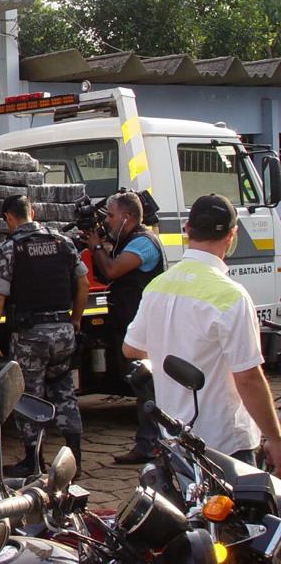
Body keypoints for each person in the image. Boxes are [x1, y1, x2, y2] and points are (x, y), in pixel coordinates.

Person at [123, 194, 281, 473]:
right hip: (225, 443)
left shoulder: (158, 286)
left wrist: (171, 346)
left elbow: (131, 348)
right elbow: (248, 378)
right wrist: (276, 439)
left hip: (174, 438)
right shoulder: (231, 296)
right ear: (231, 236)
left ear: (187, 229)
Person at [0, 194, 88, 477]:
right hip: (63, 332)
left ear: (8, 217)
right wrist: (75, 319)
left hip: (31, 336)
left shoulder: (11, 248)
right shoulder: (62, 242)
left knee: (28, 396)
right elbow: (83, 282)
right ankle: (74, 458)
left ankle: (33, 461)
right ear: (32, 211)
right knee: (65, 393)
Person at [85, 190, 166, 464]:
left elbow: (112, 271)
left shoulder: (143, 243)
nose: (107, 221)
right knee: (139, 384)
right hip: (131, 321)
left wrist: (96, 246)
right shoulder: (126, 240)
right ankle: (151, 443)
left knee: (146, 385)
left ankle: (151, 446)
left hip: (144, 324)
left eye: (111, 216)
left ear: (127, 217)